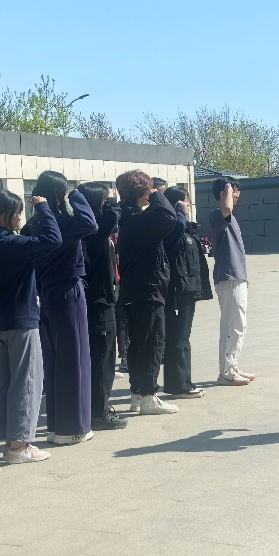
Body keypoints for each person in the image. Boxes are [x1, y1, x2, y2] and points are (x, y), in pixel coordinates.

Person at [0, 190, 62, 464]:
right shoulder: (8, 242)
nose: (19, 218)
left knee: (6, 383)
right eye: (16, 212)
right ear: (3, 213)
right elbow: (53, 239)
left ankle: (11, 439)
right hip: (21, 318)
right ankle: (18, 445)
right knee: (27, 381)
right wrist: (44, 208)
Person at [31, 172, 98, 445]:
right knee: (75, 358)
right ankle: (73, 427)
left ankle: (56, 425)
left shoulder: (36, 223)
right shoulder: (62, 223)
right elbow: (90, 223)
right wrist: (77, 195)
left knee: (55, 360)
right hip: (68, 289)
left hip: (47, 292)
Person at [116, 170, 181, 415]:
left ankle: (137, 393)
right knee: (152, 342)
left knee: (136, 344)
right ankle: (149, 397)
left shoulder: (126, 216)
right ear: (141, 191)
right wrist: (156, 194)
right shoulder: (138, 218)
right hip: (148, 288)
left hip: (133, 288)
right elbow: (169, 217)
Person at [80, 183, 127, 431]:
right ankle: (98, 412)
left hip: (102, 297)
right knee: (102, 358)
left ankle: (97, 408)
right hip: (98, 301)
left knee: (102, 357)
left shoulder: (91, 228)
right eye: (105, 199)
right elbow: (112, 215)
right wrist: (111, 199)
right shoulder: (93, 229)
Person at [163, 186, 212, 397]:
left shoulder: (185, 229)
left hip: (189, 290)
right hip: (177, 291)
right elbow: (175, 232)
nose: (187, 205)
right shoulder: (170, 228)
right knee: (177, 339)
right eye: (183, 201)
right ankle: (178, 386)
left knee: (184, 338)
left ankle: (185, 382)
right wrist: (179, 212)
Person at [208, 178, 253, 387]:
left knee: (239, 324)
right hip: (228, 277)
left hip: (236, 276)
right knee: (232, 325)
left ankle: (232, 365)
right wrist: (227, 187)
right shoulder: (217, 215)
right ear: (223, 193)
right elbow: (226, 207)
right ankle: (226, 371)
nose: (237, 195)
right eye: (234, 190)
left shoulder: (230, 218)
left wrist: (244, 275)